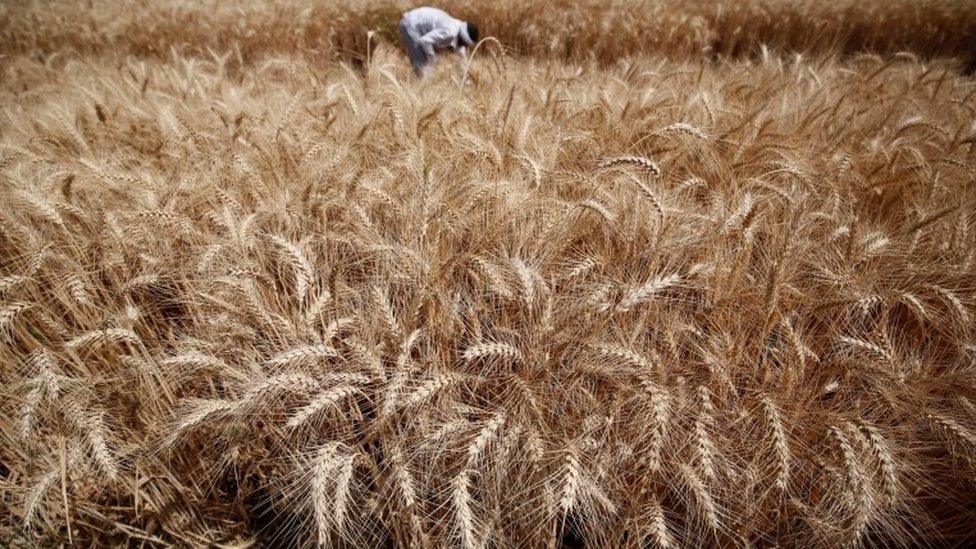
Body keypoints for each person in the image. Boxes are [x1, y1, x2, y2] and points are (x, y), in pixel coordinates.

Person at [399, 7, 479, 78]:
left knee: (427, 65)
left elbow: (462, 59)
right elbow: (425, 41)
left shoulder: (458, 30)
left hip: (415, 23)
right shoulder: (449, 32)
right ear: (462, 38)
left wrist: (465, 80)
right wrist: (433, 57)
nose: (463, 47)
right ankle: (422, 89)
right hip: (411, 24)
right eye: (464, 44)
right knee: (423, 67)